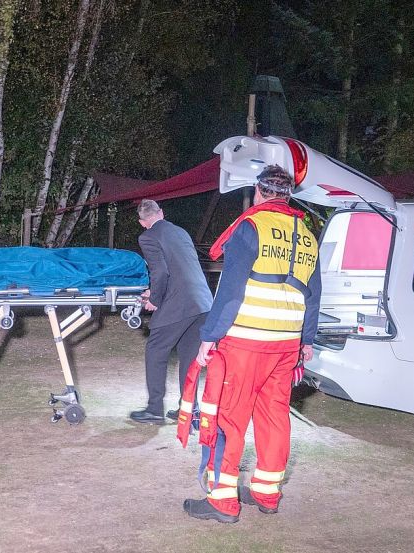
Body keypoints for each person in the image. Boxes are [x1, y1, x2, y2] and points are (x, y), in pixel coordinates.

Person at [182, 165, 321, 523]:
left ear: (259, 192)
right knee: (275, 418)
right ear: (289, 195)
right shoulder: (307, 233)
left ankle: (223, 501)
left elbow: (230, 290)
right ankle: (267, 492)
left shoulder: (251, 226)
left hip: (246, 341)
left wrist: (209, 336)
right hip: (286, 345)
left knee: (229, 416)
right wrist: (306, 340)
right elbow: (313, 295)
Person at [129, 199, 213, 425]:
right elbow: (180, 269)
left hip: (180, 303)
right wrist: (155, 292)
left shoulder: (147, 236)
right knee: (189, 358)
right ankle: (189, 410)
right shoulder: (181, 232)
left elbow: (160, 271)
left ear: (142, 222)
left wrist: (154, 299)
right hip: (203, 303)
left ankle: (154, 410)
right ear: (161, 213)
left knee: (155, 350)